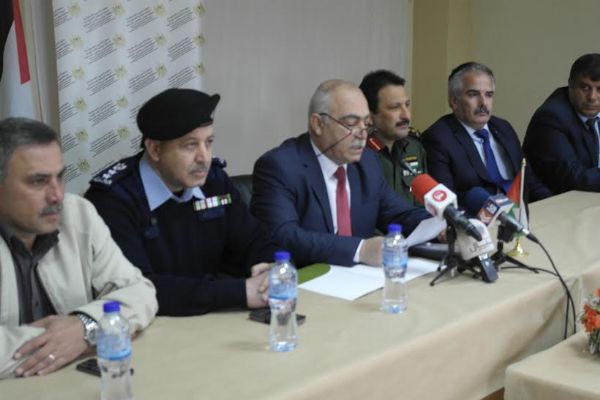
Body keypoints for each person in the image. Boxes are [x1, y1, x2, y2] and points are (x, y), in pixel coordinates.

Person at [85, 88, 275, 316]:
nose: (204, 157)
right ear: (155, 149)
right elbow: (138, 289)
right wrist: (240, 291)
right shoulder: (113, 200)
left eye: (209, 142)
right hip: (151, 325)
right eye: (190, 145)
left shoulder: (214, 181)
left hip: (212, 317)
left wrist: (269, 268)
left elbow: (255, 240)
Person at [0, 117, 157, 379]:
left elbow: (140, 292)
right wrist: (72, 340)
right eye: (38, 181)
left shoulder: (77, 214)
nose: (57, 195)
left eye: (60, 177)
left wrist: (84, 326)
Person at [251, 79, 431, 268]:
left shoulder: (367, 162)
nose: (362, 134)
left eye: (366, 124)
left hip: (362, 279)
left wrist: (441, 225)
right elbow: (283, 236)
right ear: (317, 124)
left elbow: (399, 214)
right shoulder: (280, 166)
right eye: (351, 123)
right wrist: (360, 250)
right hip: (308, 279)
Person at [421, 62, 551, 205]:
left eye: (489, 95)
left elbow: (529, 182)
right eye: (473, 94)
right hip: (477, 216)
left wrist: (554, 204)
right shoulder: (438, 139)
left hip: (521, 212)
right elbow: (448, 204)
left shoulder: (503, 128)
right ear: (454, 101)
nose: (483, 103)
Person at [523, 53, 600, 194]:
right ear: (571, 84)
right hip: (555, 200)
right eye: (585, 88)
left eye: (599, 89)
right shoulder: (551, 118)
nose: (592, 97)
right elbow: (574, 179)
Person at [359, 70, 427, 206]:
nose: (406, 115)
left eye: (407, 105)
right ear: (369, 117)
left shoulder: (414, 148)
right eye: (395, 107)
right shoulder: (358, 154)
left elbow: (424, 203)